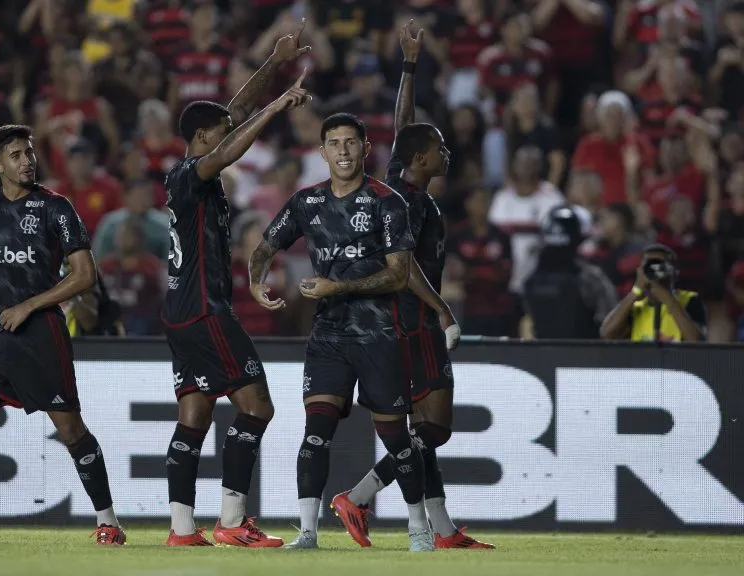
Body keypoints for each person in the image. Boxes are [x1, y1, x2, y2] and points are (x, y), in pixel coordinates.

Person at [330, 21, 495, 550]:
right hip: (411, 319)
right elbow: (406, 265)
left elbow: (404, 126)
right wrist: (442, 309)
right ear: (424, 158)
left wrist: (408, 65)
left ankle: (442, 529)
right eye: (440, 148)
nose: (447, 153)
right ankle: (357, 496)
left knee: (423, 432)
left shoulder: (403, 183)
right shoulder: (411, 202)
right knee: (435, 428)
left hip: (395, 321)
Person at [0, 125, 125, 545]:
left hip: (41, 332)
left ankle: (109, 522)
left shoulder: (56, 208)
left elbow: (85, 275)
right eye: (16, 155)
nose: (27, 160)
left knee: (69, 429)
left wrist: (31, 305)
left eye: (29, 153)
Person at [248, 110, 431, 551]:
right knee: (315, 432)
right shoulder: (306, 203)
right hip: (328, 337)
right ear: (322, 151)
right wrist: (256, 282)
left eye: (352, 143)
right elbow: (264, 247)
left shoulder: (388, 202)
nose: (344, 151)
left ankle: (419, 528)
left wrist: (337, 286)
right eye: (335, 144)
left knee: (395, 436)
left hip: (379, 335)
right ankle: (308, 533)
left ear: (366, 149)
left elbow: (399, 274)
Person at [161, 20, 310, 548]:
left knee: (196, 414)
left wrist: (274, 62)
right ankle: (230, 522)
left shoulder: (187, 179)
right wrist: (277, 107)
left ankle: (182, 529)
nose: (229, 133)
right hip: (203, 310)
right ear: (201, 140)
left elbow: (233, 115)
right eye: (218, 132)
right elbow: (228, 147)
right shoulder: (191, 172)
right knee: (257, 407)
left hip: (183, 311)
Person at [524, 204, 618, 339]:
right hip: (582, 355)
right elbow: (611, 321)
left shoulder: (531, 278)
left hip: (545, 355)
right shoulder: (589, 277)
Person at [599, 244, 705, 342]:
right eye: (649, 264)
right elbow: (607, 334)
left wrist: (668, 299)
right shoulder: (636, 307)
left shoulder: (690, 300)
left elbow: (696, 341)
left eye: (661, 265)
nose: (655, 269)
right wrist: (635, 291)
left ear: (675, 273)